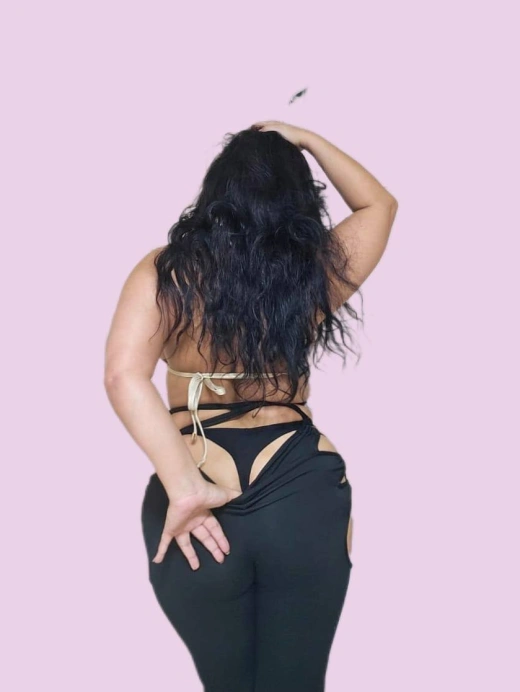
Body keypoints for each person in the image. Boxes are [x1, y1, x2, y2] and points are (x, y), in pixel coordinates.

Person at [104, 120, 398, 692]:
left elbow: (123, 376)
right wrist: (306, 139)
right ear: (299, 202)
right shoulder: (312, 274)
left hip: (195, 495)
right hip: (301, 483)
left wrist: (185, 489)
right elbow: (378, 204)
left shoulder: (167, 273)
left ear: (216, 193)